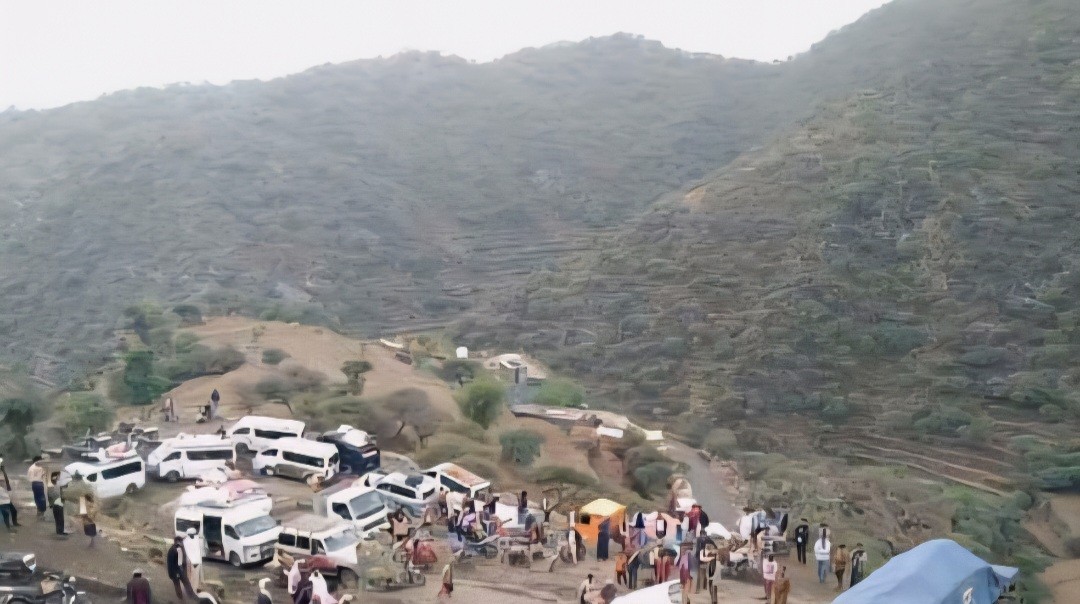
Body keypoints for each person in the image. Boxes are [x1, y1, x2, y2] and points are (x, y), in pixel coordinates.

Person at [168, 535, 196, 600]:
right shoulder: (178, 549)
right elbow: (180, 562)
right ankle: (189, 597)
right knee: (184, 583)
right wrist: (180, 573)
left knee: (178, 585)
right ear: (178, 542)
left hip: (173, 572)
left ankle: (181, 598)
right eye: (182, 541)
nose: (183, 543)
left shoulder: (172, 548)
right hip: (177, 571)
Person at [184, 527, 204, 592]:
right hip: (194, 562)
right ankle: (192, 591)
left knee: (191, 577)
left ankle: (191, 590)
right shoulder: (198, 541)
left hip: (191, 562)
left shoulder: (185, 541)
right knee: (194, 578)